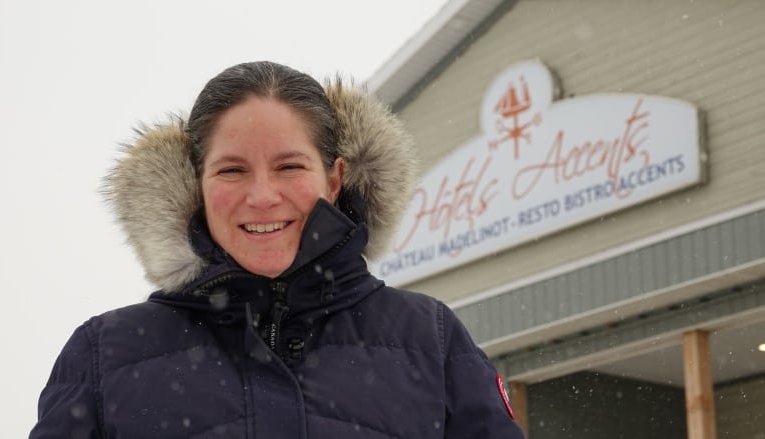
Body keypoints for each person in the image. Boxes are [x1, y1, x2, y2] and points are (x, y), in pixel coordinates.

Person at [30, 61, 525, 439]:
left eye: (290, 167)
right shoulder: (103, 355)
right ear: (194, 187)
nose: (262, 195)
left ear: (334, 180)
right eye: (231, 170)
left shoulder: (429, 340)